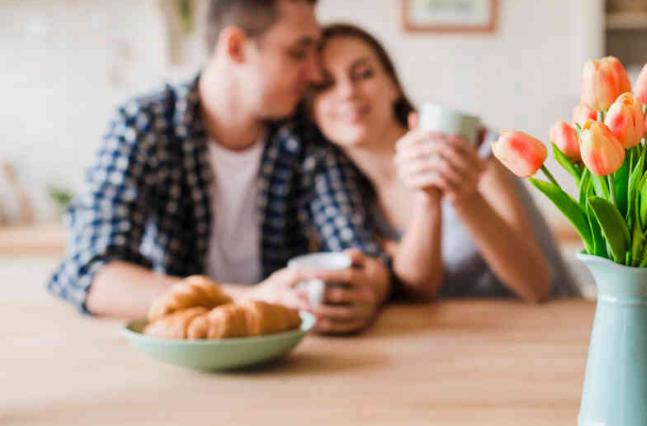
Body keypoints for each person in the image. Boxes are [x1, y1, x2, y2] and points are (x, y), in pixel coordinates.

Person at [48, 1, 391, 335]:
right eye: (298, 52)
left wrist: (368, 289)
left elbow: (361, 252)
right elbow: (91, 275)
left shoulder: (306, 134)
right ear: (236, 47)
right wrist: (250, 299)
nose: (315, 73)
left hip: (279, 354)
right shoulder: (144, 126)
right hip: (176, 349)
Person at [307, 24, 579, 301]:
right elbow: (417, 290)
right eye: (325, 84)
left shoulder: (471, 146)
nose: (348, 92)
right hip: (454, 339)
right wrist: (429, 198)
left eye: (363, 74)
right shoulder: (341, 197)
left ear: (392, 85)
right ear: (310, 110)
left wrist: (465, 197)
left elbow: (537, 286)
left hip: (549, 327)